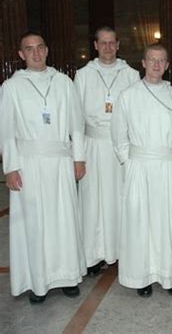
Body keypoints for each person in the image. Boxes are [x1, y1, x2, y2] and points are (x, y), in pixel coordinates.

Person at [0, 32, 87, 304]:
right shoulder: (12, 87)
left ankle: (68, 277)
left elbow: (76, 124)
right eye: (29, 49)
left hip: (61, 162)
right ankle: (37, 281)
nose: (36, 53)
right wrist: (10, 167)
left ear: (47, 50)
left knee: (63, 220)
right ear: (21, 54)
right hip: (29, 165)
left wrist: (79, 158)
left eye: (40, 48)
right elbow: (7, 131)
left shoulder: (63, 82)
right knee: (34, 223)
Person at [111, 44, 172, 297]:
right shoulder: (128, 95)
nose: (157, 65)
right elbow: (118, 135)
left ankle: (171, 274)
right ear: (143, 63)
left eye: (162, 60)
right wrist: (131, 161)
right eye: (152, 60)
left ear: (167, 65)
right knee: (141, 222)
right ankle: (141, 276)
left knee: (170, 221)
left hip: (169, 166)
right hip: (141, 168)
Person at [74, 26, 140, 276]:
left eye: (112, 43)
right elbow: (76, 119)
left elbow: (136, 114)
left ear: (118, 45)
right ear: (95, 45)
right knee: (93, 202)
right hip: (93, 146)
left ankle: (124, 252)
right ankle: (94, 254)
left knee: (122, 199)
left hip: (121, 148)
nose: (108, 48)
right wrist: (78, 157)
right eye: (103, 43)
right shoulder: (83, 75)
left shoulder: (131, 74)